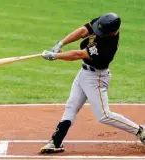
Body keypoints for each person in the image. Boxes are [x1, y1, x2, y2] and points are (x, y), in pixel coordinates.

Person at [40, 12, 145, 154]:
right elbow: (83, 31)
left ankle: (140, 131)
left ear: (112, 32)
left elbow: (78, 54)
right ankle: (55, 142)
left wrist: (55, 56)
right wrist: (60, 43)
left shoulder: (107, 47)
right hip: (83, 74)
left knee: (104, 116)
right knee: (71, 106)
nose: (97, 31)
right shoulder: (103, 23)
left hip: (96, 78)